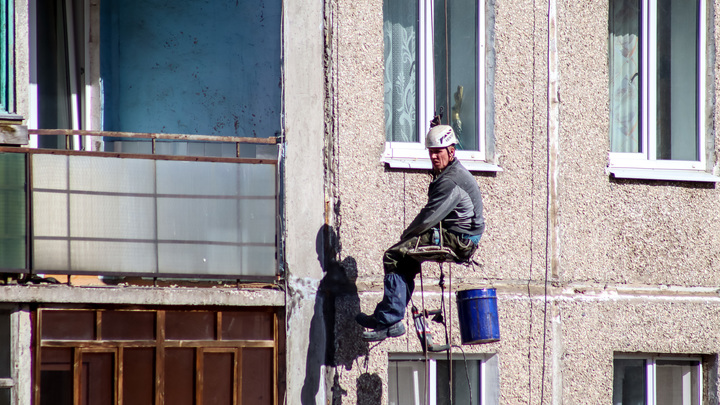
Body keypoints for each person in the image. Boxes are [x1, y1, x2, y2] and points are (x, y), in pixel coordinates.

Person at [357, 124, 485, 341]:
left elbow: (428, 217)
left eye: (439, 152)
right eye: (431, 152)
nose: (434, 157)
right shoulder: (449, 172)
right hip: (460, 236)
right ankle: (387, 317)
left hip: (459, 240)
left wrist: (406, 236)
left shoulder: (451, 180)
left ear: (451, 151)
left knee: (394, 255)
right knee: (406, 259)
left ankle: (391, 320)